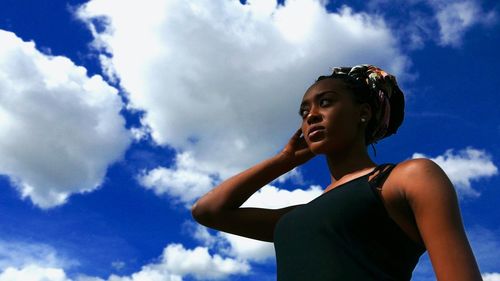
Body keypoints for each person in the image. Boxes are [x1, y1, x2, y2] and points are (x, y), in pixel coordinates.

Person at [191, 64, 483, 280]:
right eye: (304, 112)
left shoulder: (406, 178)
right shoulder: (297, 218)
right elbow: (209, 211)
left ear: (363, 113)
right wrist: (284, 159)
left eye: (326, 102)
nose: (311, 115)